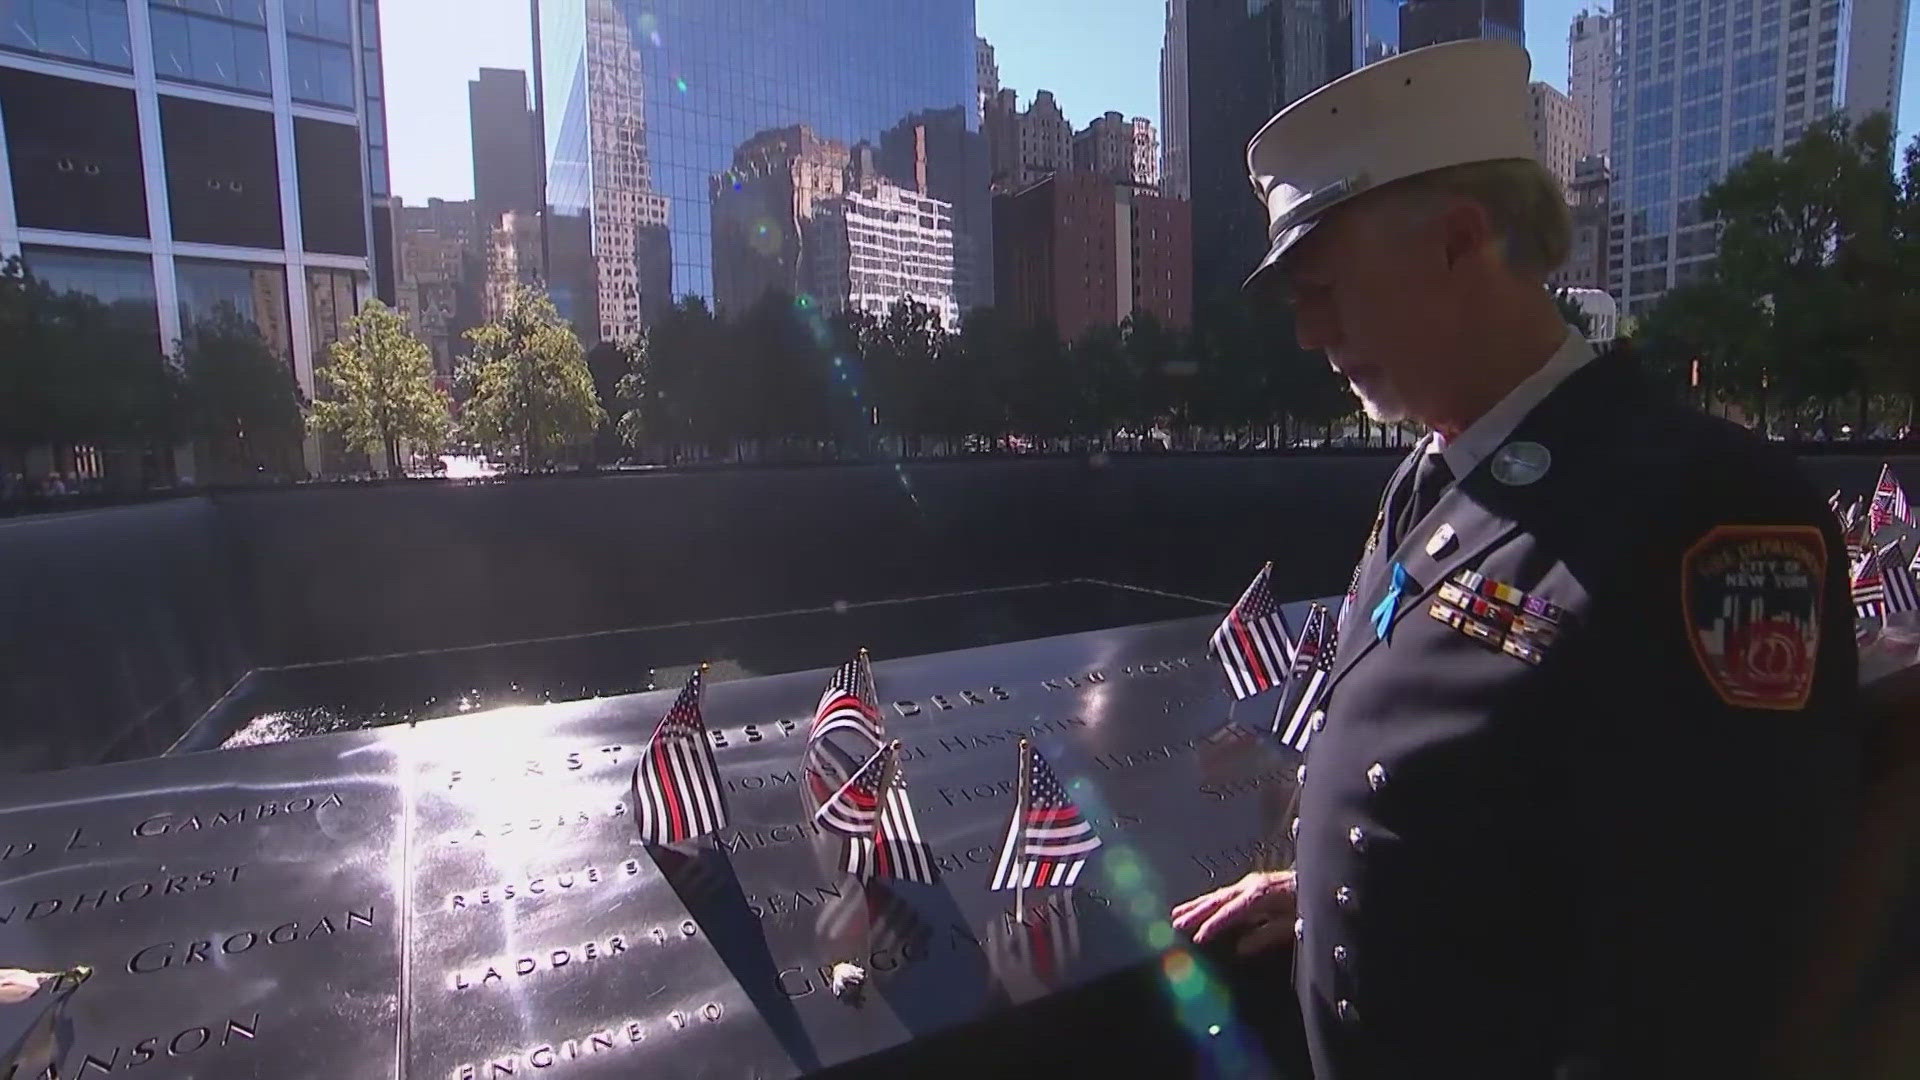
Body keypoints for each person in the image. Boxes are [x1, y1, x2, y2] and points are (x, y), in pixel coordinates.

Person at [1170, 39, 1863, 1079]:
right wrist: (1317, 888)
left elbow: (1706, 973)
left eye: (1326, 285)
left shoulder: (1708, 510)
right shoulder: (1430, 480)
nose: (1310, 332)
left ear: (1459, 242)